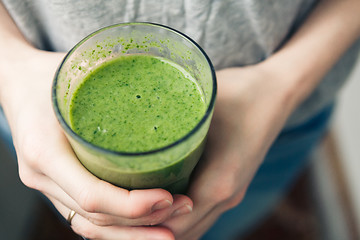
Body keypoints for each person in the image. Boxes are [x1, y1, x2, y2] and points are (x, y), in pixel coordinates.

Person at [0, 0, 359, 239]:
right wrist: (11, 66)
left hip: (278, 120)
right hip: (38, 119)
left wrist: (281, 84)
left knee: (221, 226)